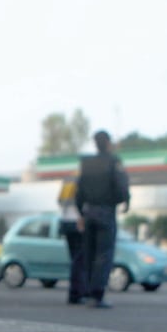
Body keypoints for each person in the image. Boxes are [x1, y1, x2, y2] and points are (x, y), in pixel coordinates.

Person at [75, 130, 130, 309]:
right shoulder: (114, 161)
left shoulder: (86, 163)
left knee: (90, 253)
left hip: (89, 211)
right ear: (107, 142)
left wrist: (81, 211)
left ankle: (89, 291)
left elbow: (79, 189)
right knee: (104, 254)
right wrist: (126, 201)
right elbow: (121, 184)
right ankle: (98, 293)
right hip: (106, 212)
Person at [57, 178, 86, 304]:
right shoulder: (81, 182)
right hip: (78, 223)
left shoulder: (67, 183)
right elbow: (82, 203)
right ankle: (77, 293)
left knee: (74, 259)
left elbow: (60, 201)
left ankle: (75, 291)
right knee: (80, 260)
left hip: (66, 223)